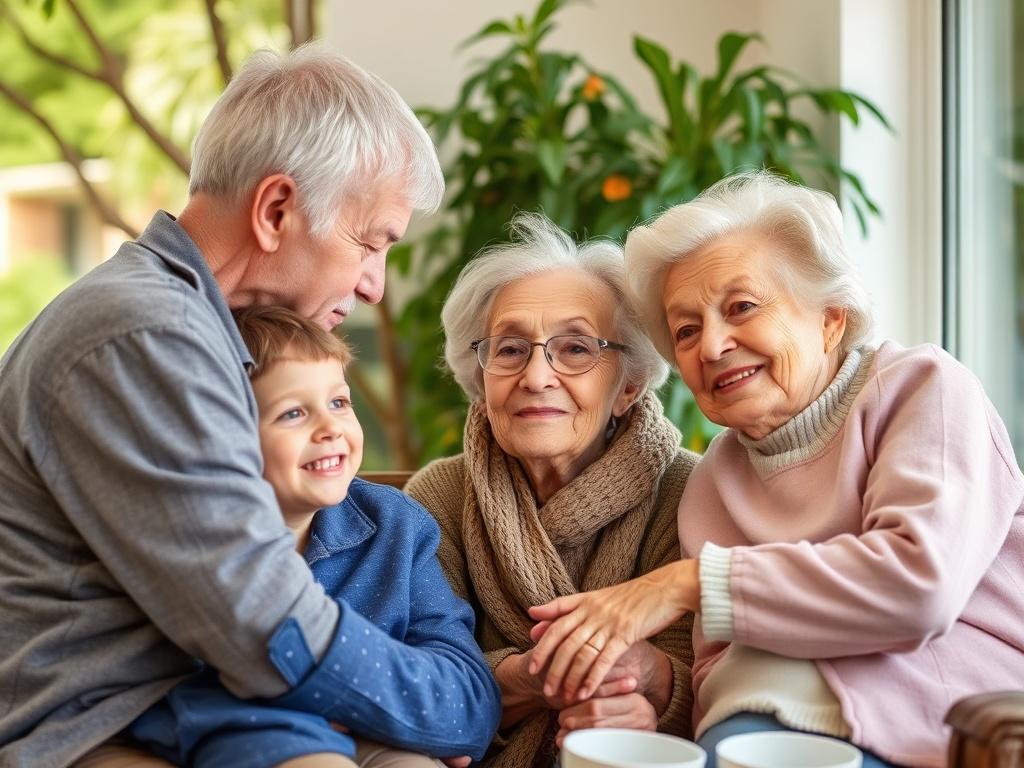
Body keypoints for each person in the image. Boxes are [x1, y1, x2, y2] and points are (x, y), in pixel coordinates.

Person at [0, 44, 458, 768]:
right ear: (276, 209)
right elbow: (263, 623)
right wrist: (450, 709)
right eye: (371, 243)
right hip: (97, 728)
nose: (374, 284)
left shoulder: (191, 329)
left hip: (205, 712)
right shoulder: (148, 333)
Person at [526, 172, 1024, 768]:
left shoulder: (923, 390)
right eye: (686, 330)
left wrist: (685, 584)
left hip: (932, 725)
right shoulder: (714, 479)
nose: (711, 346)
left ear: (830, 319)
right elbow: (719, 672)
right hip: (749, 739)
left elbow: (918, 585)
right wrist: (645, 691)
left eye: (741, 307)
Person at [120, 306, 500, 768]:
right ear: (223, 439)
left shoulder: (396, 527)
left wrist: (357, 709)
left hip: (381, 736)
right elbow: (176, 692)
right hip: (253, 740)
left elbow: (470, 703)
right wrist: (349, 704)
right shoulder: (192, 545)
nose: (331, 429)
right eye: (294, 413)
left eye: (340, 402)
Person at [404, 213, 699, 768]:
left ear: (628, 386)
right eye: (511, 349)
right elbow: (419, 679)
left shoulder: (689, 491)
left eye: (576, 348)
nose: (537, 377)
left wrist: (656, 692)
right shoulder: (439, 496)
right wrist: (545, 676)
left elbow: (706, 678)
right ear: (481, 376)